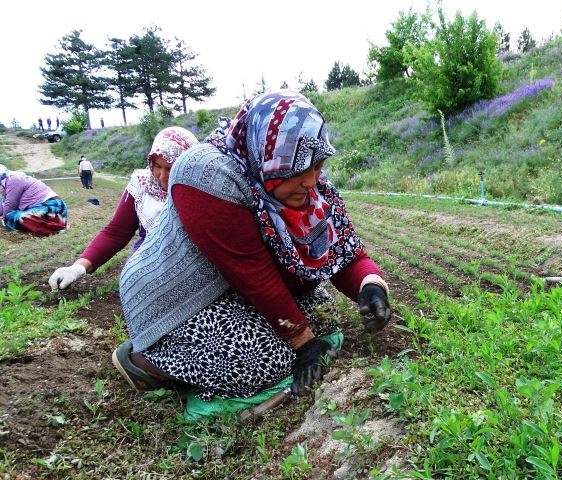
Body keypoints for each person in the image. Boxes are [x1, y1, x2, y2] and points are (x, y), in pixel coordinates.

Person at [114, 91, 392, 402]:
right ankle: (149, 360)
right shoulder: (207, 175)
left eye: (318, 166)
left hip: (230, 289)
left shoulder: (310, 192)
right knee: (266, 361)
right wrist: (303, 342)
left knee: (324, 314)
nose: (312, 181)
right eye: (301, 169)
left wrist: (372, 287)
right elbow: (252, 273)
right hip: (172, 296)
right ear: (272, 159)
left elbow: (347, 254)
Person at [49, 127, 199, 291]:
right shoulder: (143, 185)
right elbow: (117, 231)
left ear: (187, 164)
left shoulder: (201, 189)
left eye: (170, 168)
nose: (161, 176)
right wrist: (78, 268)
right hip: (148, 268)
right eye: (156, 166)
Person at [0, 167, 68, 235]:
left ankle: (54, 229)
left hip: (52, 207)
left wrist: (4, 220)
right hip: (48, 209)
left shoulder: (13, 180)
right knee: (11, 216)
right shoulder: (8, 182)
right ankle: (55, 226)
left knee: (11, 217)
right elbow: (4, 206)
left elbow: (10, 205)